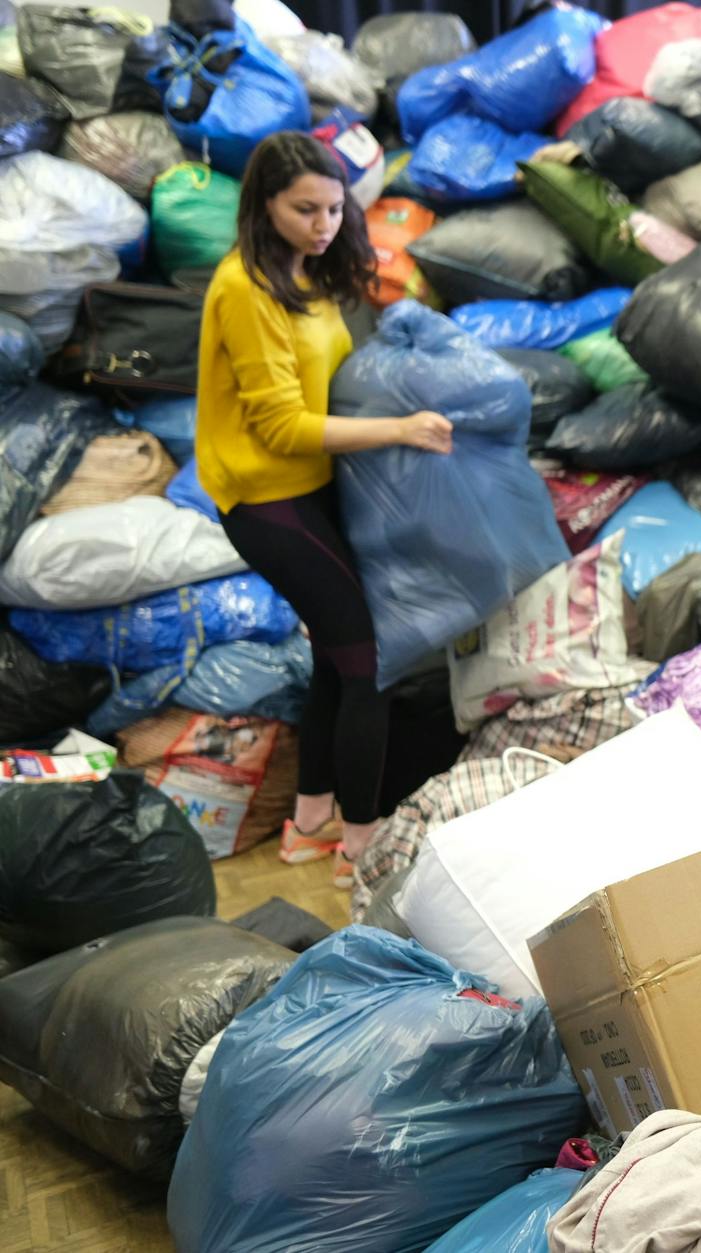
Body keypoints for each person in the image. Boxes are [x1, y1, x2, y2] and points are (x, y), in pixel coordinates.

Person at [195, 131, 454, 888]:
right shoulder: (243, 288)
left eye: (335, 207)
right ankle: (362, 847)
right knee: (366, 663)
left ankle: (310, 823)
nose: (323, 223)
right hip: (265, 499)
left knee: (337, 659)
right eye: (304, 208)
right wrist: (402, 429)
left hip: (311, 487)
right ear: (264, 205)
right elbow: (280, 425)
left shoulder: (303, 272)